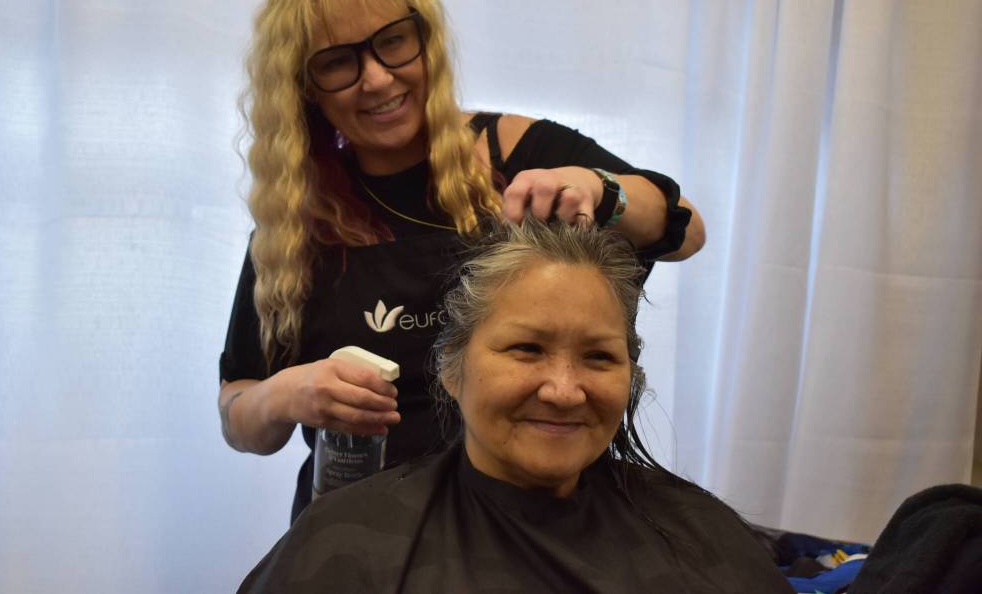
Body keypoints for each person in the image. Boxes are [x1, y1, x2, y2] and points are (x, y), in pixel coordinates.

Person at [219, 0, 706, 522]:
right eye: (338, 62)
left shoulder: (516, 151)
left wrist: (604, 192)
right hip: (359, 534)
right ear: (304, 85)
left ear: (426, 42)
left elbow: (685, 232)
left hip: (532, 521)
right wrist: (285, 394)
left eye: (393, 43)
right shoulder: (297, 221)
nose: (376, 79)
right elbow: (240, 417)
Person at [237, 218, 789, 592]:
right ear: (452, 368)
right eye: (527, 349)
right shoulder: (350, 549)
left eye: (598, 357)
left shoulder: (702, 540)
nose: (564, 389)